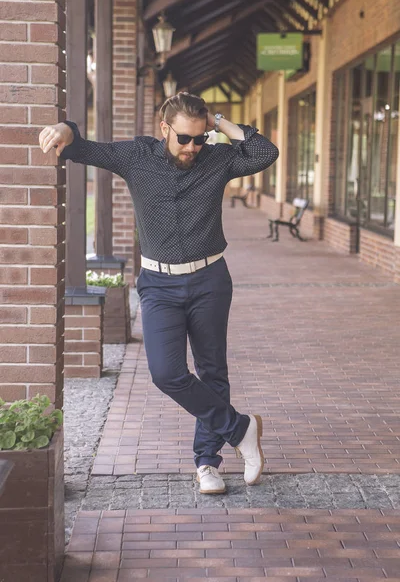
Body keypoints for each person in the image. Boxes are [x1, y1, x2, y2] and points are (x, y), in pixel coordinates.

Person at [39, 92, 279, 494]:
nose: (191, 148)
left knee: (212, 370)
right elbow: (82, 148)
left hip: (210, 281)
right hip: (159, 284)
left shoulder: (217, 158)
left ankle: (207, 463)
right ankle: (241, 428)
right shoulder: (137, 156)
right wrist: (66, 129)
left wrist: (219, 123)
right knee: (166, 372)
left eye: (199, 139)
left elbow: (263, 153)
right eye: (184, 138)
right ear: (164, 129)